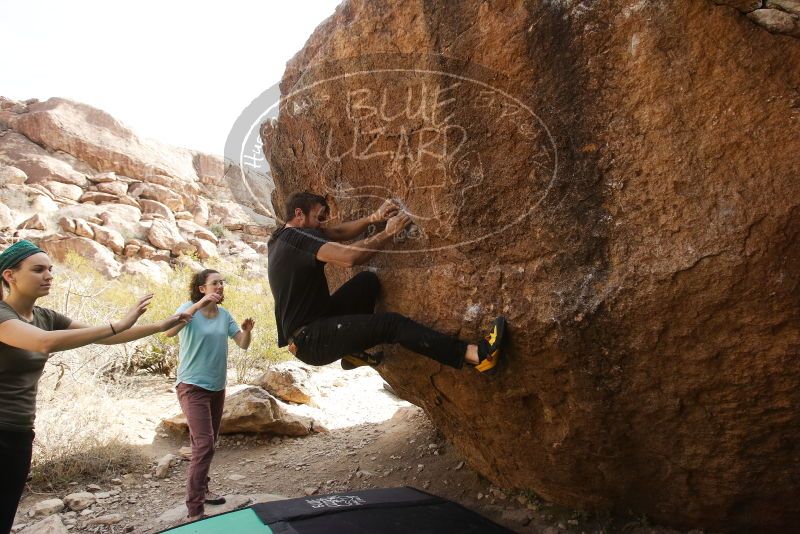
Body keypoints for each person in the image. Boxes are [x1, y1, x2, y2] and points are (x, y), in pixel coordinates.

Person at [0, 240, 191, 534]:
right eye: (38, 270)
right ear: (9, 275)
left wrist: (158, 326)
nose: (49, 275)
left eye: (50, 269)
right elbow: (43, 341)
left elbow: (104, 337)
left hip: (19, 432)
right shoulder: (3, 315)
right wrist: (118, 324)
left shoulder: (46, 317)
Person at [267, 192, 506, 374]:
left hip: (316, 325)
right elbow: (350, 257)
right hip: (311, 339)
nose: (322, 224)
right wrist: (388, 232)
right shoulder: (298, 239)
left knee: (366, 282)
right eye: (319, 218)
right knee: (392, 325)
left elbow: (337, 233)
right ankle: (475, 355)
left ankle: (352, 351)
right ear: (299, 215)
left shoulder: (280, 239)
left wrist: (375, 218)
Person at [164, 269, 254, 522]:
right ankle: (195, 510)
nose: (220, 286)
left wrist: (247, 331)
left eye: (222, 283)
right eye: (215, 283)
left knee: (206, 443)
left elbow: (243, 343)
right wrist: (199, 304)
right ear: (202, 288)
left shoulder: (224, 315)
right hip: (192, 386)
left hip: (217, 388)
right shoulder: (189, 309)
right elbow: (168, 332)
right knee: (203, 445)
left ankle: (203, 490)